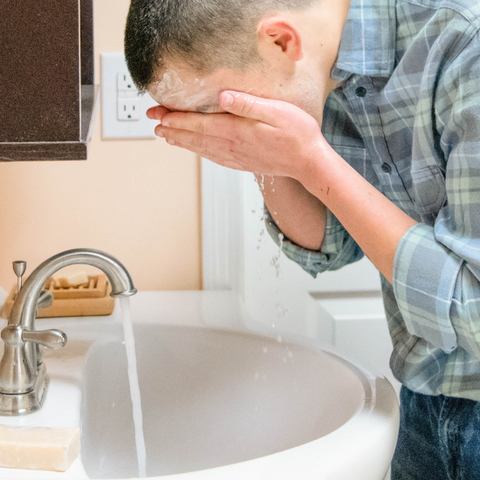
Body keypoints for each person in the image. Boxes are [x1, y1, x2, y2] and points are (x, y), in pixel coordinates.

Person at [124, 0, 480, 477]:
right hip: (424, 400)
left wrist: (312, 161)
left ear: (279, 41)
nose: (218, 126)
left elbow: (474, 307)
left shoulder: (464, 43)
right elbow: (332, 245)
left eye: (217, 108)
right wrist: (267, 159)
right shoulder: (318, 70)